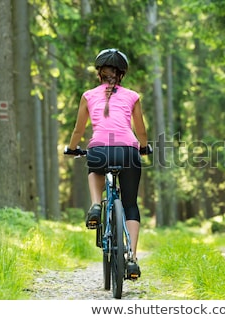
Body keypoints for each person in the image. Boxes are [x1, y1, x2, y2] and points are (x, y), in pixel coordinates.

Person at [65, 48, 152, 278]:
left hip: (99, 150)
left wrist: (72, 148)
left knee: (95, 170)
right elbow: (140, 130)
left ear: (99, 74)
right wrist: (143, 147)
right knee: (131, 204)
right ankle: (132, 259)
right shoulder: (132, 96)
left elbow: (79, 129)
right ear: (121, 75)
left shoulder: (88, 96)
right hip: (128, 152)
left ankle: (96, 204)